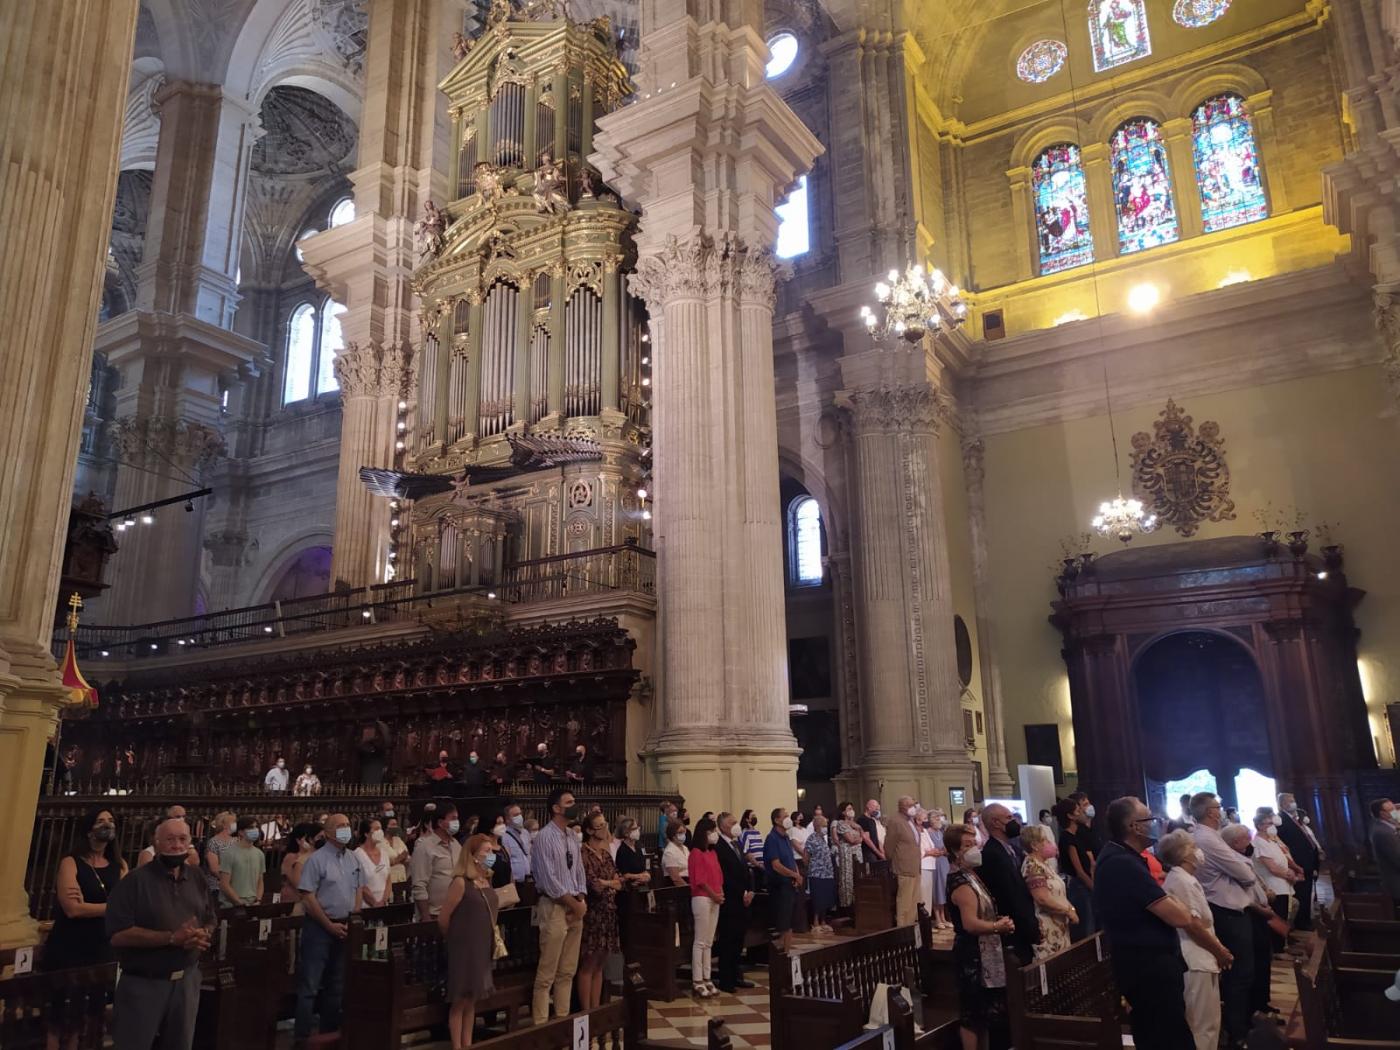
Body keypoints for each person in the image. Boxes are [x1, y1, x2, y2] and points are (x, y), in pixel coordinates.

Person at [1093, 797, 1196, 1050]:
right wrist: (1178, 906)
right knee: (1165, 1037)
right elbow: (1180, 917)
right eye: (1150, 818)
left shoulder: (1125, 857)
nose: (1157, 823)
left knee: (1162, 1032)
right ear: (1134, 826)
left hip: (1148, 963)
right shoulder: (1122, 863)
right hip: (1147, 967)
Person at [105, 818, 215, 1050]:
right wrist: (171, 938)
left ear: (191, 842)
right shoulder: (135, 882)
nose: (176, 845)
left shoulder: (196, 878)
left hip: (186, 981)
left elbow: (209, 917)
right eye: (170, 839)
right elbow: (118, 934)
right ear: (156, 843)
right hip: (144, 983)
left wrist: (202, 934)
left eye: (182, 839)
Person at [43, 809, 127, 1050]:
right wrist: (111, 906)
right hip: (69, 945)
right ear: (89, 829)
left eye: (111, 821)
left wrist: (92, 906)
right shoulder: (71, 862)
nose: (107, 825)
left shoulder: (119, 865)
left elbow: (127, 906)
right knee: (61, 1012)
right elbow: (72, 909)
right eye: (101, 821)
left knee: (90, 1011)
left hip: (101, 946)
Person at [1190, 791, 1258, 1047]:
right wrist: (1244, 871)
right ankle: (1237, 1031)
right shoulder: (1207, 839)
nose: (1221, 811)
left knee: (1241, 973)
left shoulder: (1209, 837)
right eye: (1218, 807)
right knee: (1239, 973)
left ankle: (1239, 1024)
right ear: (1212, 812)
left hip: (1228, 909)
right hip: (1225, 910)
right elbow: (1245, 873)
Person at [1158, 829, 1234, 1050]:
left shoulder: (1187, 878)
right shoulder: (1181, 880)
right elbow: (1193, 924)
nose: (1198, 851)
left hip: (1202, 955)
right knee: (1202, 1024)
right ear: (1183, 854)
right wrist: (1220, 950)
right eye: (1193, 847)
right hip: (1194, 957)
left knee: (1209, 1021)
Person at [944, 822, 1015, 1050]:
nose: (974, 847)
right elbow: (970, 924)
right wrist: (997, 927)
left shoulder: (971, 875)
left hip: (983, 951)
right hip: (972, 956)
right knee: (972, 1014)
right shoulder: (960, 881)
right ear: (956, 851)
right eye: (968, 844)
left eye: (975, 841)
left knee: (984, 1015)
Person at [294, 813, 363, 1043]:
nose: (347, 829)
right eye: (341, 826)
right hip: (319, 928)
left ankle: (328, 1037)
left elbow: (358, 889)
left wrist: (352, 917)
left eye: (348, 825)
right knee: (310, 986)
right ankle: (302, 1038)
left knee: (337, 985)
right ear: (329, 832)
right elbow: (308, 896)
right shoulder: (317, 859)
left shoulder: (353, 858)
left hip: (344, 926)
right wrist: (328, 924)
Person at [530, 787, 587, 1025]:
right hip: (554, 906)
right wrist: (572, 903)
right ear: (556, 808)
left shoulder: (572, 836)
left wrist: (581, 898)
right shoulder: (544, 836)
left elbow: (578, 870)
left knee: (568, 970)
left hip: (575, 906)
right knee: (547, 973)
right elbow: (549, 877)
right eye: (569, 802)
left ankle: (563, 1020)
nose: (574, 805)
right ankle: (541, 1025)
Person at [1221, 822, 1288, 1022]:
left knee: (1264, 959)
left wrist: (1266, 893)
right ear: (1235, 842)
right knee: (1255, 962)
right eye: (1245, 837)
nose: (1249, 841)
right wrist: (1262, 908)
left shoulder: (1242, 857)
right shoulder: (1230, 861)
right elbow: (1240, 892)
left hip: (1261, 912)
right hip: (1251, 915)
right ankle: (1254, 1008)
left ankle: (1262, 1002)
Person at [438, 833, 498, 1050]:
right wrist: (456, 939)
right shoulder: (461, 882)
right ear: (472, 855)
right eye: (486, 851)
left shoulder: (485, 880)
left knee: (473, 997)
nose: (491, 855)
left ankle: (468, 1043)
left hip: (482, 943)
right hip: (463, 947)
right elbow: (444, 918)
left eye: (491, 851)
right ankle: (457, 1045)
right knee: (460, 998)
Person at [978, 803, 1039, 964]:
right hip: (1013, 927)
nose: (1014, 822)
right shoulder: (992, 854)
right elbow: (1010, 894)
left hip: (1022, 924)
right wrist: (1029, 927)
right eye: (1009, 818)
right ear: (995, 823)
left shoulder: (1011, 848)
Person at [579, 811, 621, 1009]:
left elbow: (618, 881)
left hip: (608, 911)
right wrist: (607, 882)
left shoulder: (605, 854)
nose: (604, 829)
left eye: (605, 825)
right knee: (589, 963)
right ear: (589, 830)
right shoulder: (583, 853)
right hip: (593, 913)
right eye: (599, 826)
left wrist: (609, 882)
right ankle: (586, 1010)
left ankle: (596, 1009)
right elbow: (593, 884)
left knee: (600, 964)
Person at [1018, 823, 1076, 960]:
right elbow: (1042, 898)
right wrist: (1067, 911)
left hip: (1058, 925)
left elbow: (1058, 893)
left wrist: (1071, 908)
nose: (1050, 844)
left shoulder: (1044, 865)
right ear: (1034, 845)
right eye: (1045, 841)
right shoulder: (1033, 866)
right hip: (1046, 928)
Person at [714, 811, 755, 992]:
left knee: (739, 940)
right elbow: (725, 875)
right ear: (723, 826)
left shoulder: (736, 843)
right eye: (733, 823)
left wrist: (750, 891)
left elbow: (744, 869)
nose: (736, 825)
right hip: (730, 899)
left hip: (743, 899)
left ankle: (737, 975)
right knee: (728, 940)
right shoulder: (719, 846)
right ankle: (726, 979)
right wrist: (740, 893)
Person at [686, 816, 724, 997]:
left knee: (709, 941)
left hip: (715, 897)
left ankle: (707, 977)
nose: (714, 835)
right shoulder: (696, 852)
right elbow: (700, 880)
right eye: (711, 832)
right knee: (700, 941)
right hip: (702, 898)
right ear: (703, 833)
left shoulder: (713, 853)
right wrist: (714, 895)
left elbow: (718, 876)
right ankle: (697, 980)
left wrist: (720, 893)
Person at [1250, 811, 1296, 951]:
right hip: (1273, 885)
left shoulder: (1271, 840)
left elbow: (1282, 860)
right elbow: (1272, 867)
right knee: (1278, 916)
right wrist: (1288, 875)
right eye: (1269, 823)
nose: (1272, 826)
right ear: (1260, 826)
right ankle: (1278, 949)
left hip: (1282, 883)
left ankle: (1283, 944)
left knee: (1284, 915)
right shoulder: (1258, 842)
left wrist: (1291, 872)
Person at [1275, 793, 1320, 930]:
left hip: (1307, 861)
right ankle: (1302, 923)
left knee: (1307, 893)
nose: (1293, 803)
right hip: (1298, 862)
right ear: (1283, 804)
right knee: (1302, 894)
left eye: (1293, 800)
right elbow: (1284, 843)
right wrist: (1294, 864)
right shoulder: (1281, 820)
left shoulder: (1295, 818)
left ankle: (1306, 919)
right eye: (1290, 801)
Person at [413, 805, 463, 920]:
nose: (457, 822)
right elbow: (419, 885)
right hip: (434, 913)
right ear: (440, 823)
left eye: (457, 818)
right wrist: (426, 917)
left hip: (457, 912)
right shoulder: (425, 847)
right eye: (453, 818)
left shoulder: (456, 845)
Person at [1056, 796, 1096, 940]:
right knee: (1086, 927)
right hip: (1079, 887)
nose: (1082, 813)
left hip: (1083, 884)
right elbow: (1078, 870)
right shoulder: (1067, 838)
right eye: (1078, 810)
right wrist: (1093, 887)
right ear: (1070, 816)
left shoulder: (1076, 836)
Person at [764, 808, 802, 953]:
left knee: (790, 922)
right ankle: (782, 955)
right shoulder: (772, 838)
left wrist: (797, 874)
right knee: (783, 923)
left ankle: (788, 952)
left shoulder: (785, 836)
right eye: (785, 816)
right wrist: (793, 875)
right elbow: (776, 865)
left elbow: (791, 859)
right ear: (777, 820)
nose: (788, 819)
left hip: (790, 884)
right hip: (779, 886)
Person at [886, 795, 923, 927]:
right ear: (902, 807)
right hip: (904, 866)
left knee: (914, 901)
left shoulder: (910, 820)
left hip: (915, 866)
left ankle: (911, 926)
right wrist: (894, 861)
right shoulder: (895, 821)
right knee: (904, 901)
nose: (913, 808)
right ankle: (902, 927)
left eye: (913, 805)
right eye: (910, 805)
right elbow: (889, 846)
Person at [218, 816, 265, 908]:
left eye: (256, 827)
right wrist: (239, 903)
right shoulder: (229, 853)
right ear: (240, 832)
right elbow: (224, 884)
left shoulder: (259, 854)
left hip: (253, 904)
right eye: (251, 827)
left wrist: (258, 900)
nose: (255, 830)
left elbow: (260, 881)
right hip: (231, 906)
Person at [806, 812, 837, 933]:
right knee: (818, 899)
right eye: (824, 825)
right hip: (817, 874)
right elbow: (806, 857)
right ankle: (815, 922)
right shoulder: (811, 839)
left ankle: (823, 921)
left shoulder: (823, 839)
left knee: (826, 898)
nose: (826, 828)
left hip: (827, 873)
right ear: (818, 826)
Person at [832, 802, 863, 909]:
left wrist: (858, 836)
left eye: (852, 808)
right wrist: (858, 839)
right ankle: (847, 904)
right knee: (847, 877)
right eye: (849, 808)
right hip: (847, 854)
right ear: (843, 812)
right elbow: (850, 839)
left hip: (857, 854)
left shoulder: (854, 824)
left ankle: (857, 901)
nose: (851, 810)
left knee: (858, 876)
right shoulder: (841, 823)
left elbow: (862, 836)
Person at [1368, 798, 1400, 902]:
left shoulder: (1387, 826)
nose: (1396, 811)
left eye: (1396, 808)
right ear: (1382, 814)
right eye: (1392, 809)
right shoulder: (1383, 832)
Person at [355, 818, 392, 909]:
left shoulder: (384, 853)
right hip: (366, 906)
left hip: (383, 905)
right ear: (366, 834)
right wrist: (374, 903)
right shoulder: (357, 855)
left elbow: (388, 880)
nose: (380, 832)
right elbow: (360, 884)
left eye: (380, 829)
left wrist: (383, 901)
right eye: (376, 829)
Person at [281, 823, 318, 911]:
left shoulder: (315, 856)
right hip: (294, 901)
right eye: (306, 838)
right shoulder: (291, 857)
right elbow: (297, 883)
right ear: (298, 840)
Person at [203, 811, 237, 906]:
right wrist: (228, 880)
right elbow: (214, 869)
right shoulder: (213, 842)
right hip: (218, 887)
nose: (236, 824)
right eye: (233, 822)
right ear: (225, 825)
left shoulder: (236, 841)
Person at [926, 809, 951, 929]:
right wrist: (939, 851)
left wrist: (944, 851)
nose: (938, 820)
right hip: (935, 863)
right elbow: (932, 848)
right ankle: (937, 918)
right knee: (937, 889)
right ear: (931, 820)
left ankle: (943, 917)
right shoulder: (929, 832)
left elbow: (944, 846)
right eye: (936, 818)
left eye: (939, 818)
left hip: (944, 861)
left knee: (944, 888)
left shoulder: (940, 832)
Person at [500, 804, 532, 885]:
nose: (519, 817)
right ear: (507, 819)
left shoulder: (525, 833)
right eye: (515, 815)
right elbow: (506, 859)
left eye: (520, 814)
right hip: (514, 881)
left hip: (528, 879)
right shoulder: (504, 836)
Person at [662, 818, 690, 885]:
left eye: (684, 832)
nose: (683, 835)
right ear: (673, 835)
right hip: (677, 887)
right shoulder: (669, 852)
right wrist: (688, 888)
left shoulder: (685, 848)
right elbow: (675, 878)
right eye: (680, 832)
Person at [857, 799, 886, 864]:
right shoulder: (863, 820)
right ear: (869, 807)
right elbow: (867, 839)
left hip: (876, 851)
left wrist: (881, 851)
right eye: (876, 808)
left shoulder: (872, 820)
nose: (877, 810)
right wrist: (877, 852)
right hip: (869, 852)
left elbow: (876, 837)